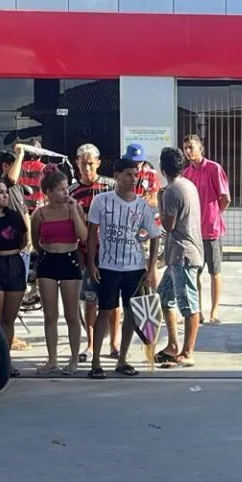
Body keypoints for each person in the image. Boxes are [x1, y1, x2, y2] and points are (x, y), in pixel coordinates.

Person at [86, 157, 162, 379]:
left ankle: (122, 359)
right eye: (128, 174)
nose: (133, 179)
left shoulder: (142, 205)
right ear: (117, 176)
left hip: (135, 267)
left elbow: (155, 235)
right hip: (108, 266)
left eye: (135, 174)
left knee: (131, 313)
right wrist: (91, 263)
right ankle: (96, 361)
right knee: (105, 311)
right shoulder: (101, 201)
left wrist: (151, 268)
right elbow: (91, 234)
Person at [31, 169, 88, 375]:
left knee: (72, 314)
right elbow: (35, 241)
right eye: (61, 189)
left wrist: (73, 212)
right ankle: (52, 358)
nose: (66, 193)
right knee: (50, 315)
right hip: (48, 260)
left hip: (69, 259)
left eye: (66, 188)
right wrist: (46, 250)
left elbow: (83, 236)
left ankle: (74, 358)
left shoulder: (75, 208)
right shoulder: (40, 214)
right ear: (49, 192)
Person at [155, 147, 203, 367]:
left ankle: (187, 351)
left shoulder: (171, 192)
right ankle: (173, 345)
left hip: (183, 254)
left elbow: (169, 225)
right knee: (164, 297)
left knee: (188, 304)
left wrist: (159, 201)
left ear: (162, 168)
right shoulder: (188, 185)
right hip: (180, 254)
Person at [70, 144, 118, 361]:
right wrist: (79, 255)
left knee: (113, 300)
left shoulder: (111, 187)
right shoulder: (71, 192)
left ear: (98, 163)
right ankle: (90, 345)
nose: (87, 168)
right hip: (85, 254)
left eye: (91, 163)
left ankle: (114, 343)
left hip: (111, 254)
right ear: (76, 163)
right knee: (89, 299)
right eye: (83, 164)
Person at [180, 135, 230, 325]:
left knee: (215, 271)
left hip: (211, 230)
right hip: (193, 232)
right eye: (185, 148)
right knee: (194, 273)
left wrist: (215, 214)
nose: (188, 151)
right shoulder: (186, 173)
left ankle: (214, 311)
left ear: (200, 148)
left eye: (191, 147)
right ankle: (197, 310)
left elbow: (225, 197)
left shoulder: (214, 169)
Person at [0, 176, 29, 374]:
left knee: (9, 320)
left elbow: (24, 239)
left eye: (6, 192)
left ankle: (5, 360)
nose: (4, 196)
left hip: (14, 264)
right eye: (0, 192)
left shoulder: (14, 216)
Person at [124, 143, 161, 208]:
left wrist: (138, 203)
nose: (138, 164)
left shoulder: (150, 174)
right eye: (134, 161)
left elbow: (155, 201)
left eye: (140, 161)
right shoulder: (122, 174)